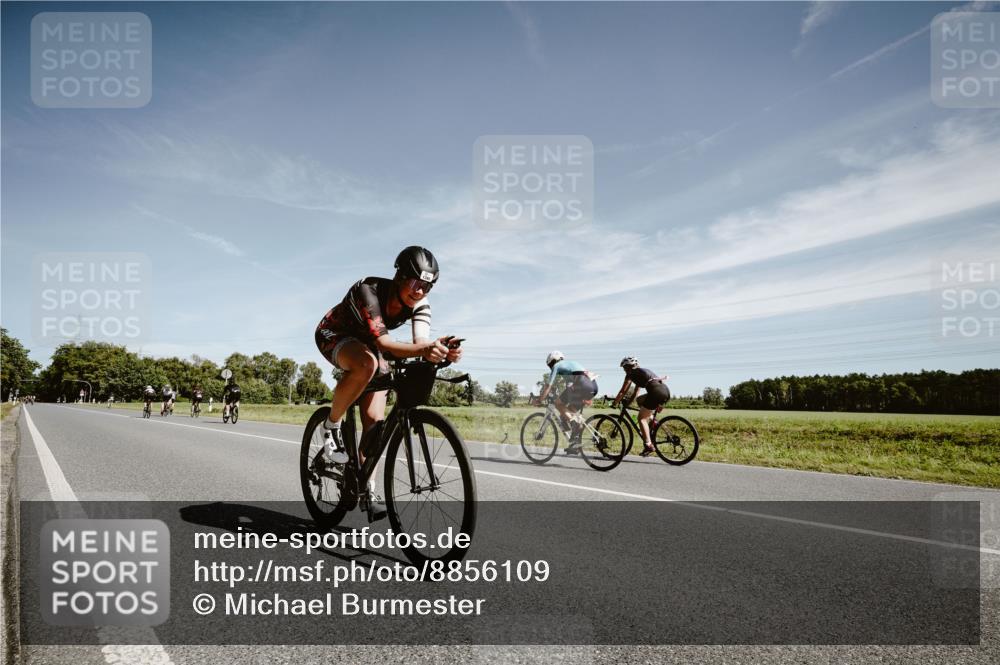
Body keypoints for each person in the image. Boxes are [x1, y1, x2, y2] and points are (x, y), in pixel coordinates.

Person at [314, 246, 462, 519]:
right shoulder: (368, 290)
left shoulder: (420, 304)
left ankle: (365, 485)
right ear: (400, 276)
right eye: (416, 282)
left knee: (376, 425)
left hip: (369, 343)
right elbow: (384, 343)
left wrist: (442, 351)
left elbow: (420, 344)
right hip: (334, 334)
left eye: (427, 287)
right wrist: (424, 350)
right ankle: (331, 425)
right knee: (367, 364)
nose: (419, 291)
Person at [534, 351, 599, 455]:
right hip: (593, 386)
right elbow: (569, 388)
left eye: (550, 365)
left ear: (554, 361)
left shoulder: (557, 366)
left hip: (581, 383)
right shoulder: (570, 366)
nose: (551, 367)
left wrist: (540, 399)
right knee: (569, 413)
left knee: (558, 403)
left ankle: (575, 424)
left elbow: (548, 386)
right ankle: (575, 442)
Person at [611, 357, 671, 456]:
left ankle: (648, 445)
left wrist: (615, 403)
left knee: (641, 419)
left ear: (627, 367)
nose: (624, 371)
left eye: (624, 368)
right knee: (640, 401)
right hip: (665, 391)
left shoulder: (631, 374)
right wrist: (629, 403)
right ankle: (653, 420)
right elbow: (636, 393)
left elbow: (622, 391)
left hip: (655, 393)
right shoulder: (642, 372)